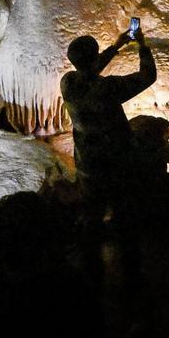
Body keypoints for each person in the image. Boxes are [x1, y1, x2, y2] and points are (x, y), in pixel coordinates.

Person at [60, 27, 156, 286]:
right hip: (116, 166)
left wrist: (116, 46)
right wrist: (142, 47)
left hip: (88, 167)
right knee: (125, 221)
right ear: (93, 58)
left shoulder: (68, 84)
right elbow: (148, 76)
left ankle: (92, 277)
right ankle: (131, 278)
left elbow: (89, 71)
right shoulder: (109, 88)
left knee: (91, 223)